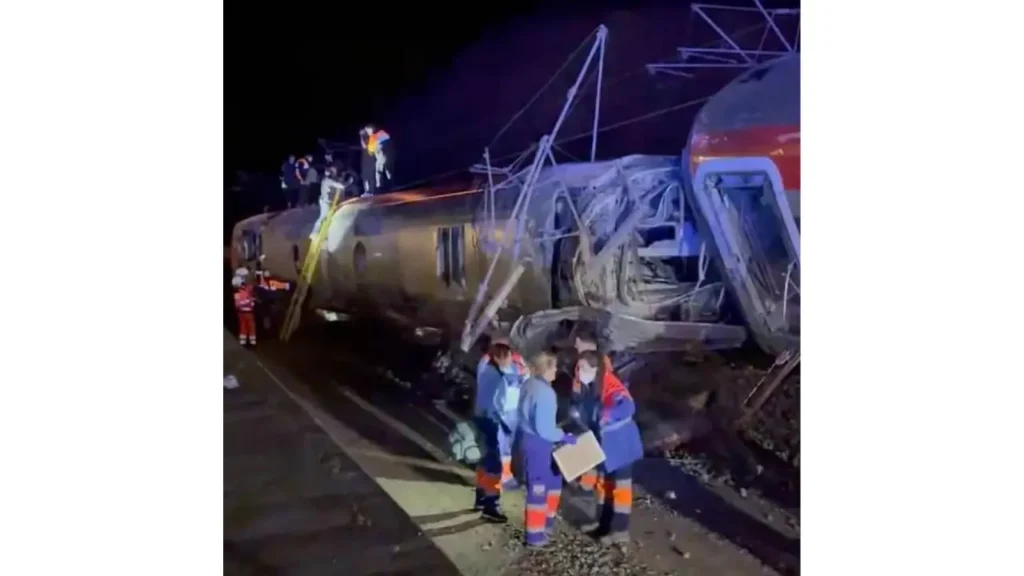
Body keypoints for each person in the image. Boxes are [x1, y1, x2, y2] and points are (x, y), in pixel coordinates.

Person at [571, 349, 643, 546]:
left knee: (621, 489)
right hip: (607, 447)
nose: (579, 371)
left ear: (595, 368)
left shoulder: (611, 385)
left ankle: (620, 531)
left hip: (622, 445)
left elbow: (628, 407)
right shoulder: (592, 388)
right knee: (606, 487)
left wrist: (607, 414)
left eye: (583, 368)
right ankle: (603, 525)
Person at [517, 351, 577, 548]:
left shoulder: (529, 384)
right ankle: (535, 536)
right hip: (539, 444)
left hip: (529, 440)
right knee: (539, 488)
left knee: (552, 482)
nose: (557, 370)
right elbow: (545, 429)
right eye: (554, 367)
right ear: (545, 369)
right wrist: (563, 436)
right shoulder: (546, 393)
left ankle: (545, 525)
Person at [472, 341, 525, 522]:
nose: (510, 361)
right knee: (494, 465)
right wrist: (507, 426)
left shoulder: (487, 370)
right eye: (507, 357)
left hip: (481, 419)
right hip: (493, 422)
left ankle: (480, 498)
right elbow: (500, 404)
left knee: (484, 460)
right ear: (498, 358)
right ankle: (491, 505)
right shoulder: (497, 378)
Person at [309, 166, 348, 240]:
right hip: (325, 202)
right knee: (323, 216)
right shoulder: (328, 180)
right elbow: (341, 186)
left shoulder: (328, 180)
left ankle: (326, 233)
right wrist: (349, 182)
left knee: (330, 217)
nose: (335, 173)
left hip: (328, 201)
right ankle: (314, 233)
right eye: (333, 172)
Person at [232, 268, 257, 346]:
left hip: (241, 313)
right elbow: (239, 304)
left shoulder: (237, 292)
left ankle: (243, 340)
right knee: (251, 326)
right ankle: (252, 341)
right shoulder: (244, 290)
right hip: (248, 312)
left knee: (243, 325)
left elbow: (237, 305)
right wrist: (250, 301)